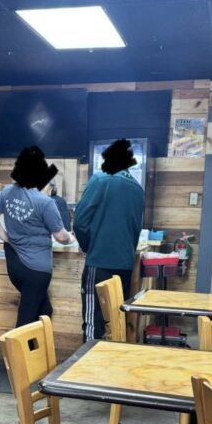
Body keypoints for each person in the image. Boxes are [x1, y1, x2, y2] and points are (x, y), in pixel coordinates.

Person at [0, 146, 75, 327]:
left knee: (45, 311)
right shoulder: (45, 202)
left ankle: (35, 346)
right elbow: (60, 236)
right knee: (25, 321)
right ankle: (14, 347)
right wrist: (70, 238)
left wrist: (7, 238)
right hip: (36, 269)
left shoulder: (7, 191)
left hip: (15, 266)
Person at [74, 139, 145, 340]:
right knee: (115, 320)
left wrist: (88, 246)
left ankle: (88, 358)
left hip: (99, 261)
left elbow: (80, 222)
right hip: (125, 265)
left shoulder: (100, 180)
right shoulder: (137, 189)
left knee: (93, 321)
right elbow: (136, 230)